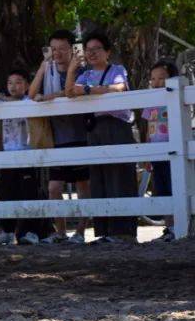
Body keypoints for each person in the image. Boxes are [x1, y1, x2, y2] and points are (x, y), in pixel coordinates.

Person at [65, 31, 138, 243]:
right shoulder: (85, 73)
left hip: (117, 125)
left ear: (108, 52)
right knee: (99, 177)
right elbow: (70, 91)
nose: (91, 53)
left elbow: (119, 87)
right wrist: (72, 69)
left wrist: (88, 90)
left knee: (120, 175)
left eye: (97, 49)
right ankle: (105, 232)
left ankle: (123, 232)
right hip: (95, 128)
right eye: (88, 50)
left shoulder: (117, 69)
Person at [29, 29, 91, 243]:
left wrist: (49, 97)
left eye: (62, 48)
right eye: (53, 48)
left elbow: (70, 92)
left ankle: (81, 232)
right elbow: (31, 94)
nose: (57, 53)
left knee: (84, 185)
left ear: (72, 49)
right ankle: (61, 232)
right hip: (56, 137)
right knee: (54, 187)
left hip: (81, 133)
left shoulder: (83, 70)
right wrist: (42, 67)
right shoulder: (49, 69)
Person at [0, 69, 49, 245]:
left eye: (18, 82)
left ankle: (31, 231)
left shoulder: (29, 101)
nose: (13, 86)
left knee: (29, 193)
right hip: (8, 155)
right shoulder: (2, 102)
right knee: (6, 192)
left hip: (27, 154)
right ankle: (8, 231)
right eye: (10, 83)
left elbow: (37, 99)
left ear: (26, 85)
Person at [140, 60, 179, 242]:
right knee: (162, 189)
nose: (157, 82)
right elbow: (149, 129)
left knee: (176, 187)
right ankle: (169, 227)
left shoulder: (177, 98)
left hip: (175, 151)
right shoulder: (150, 101)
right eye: (153, 79)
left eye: (162, 78)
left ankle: (181, 226)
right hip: (157, 152)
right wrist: (148, 154)